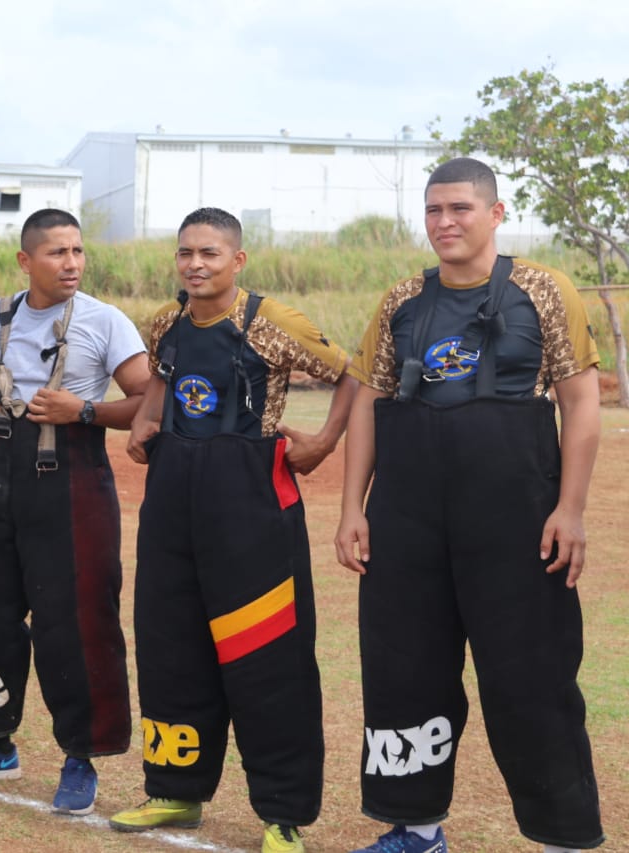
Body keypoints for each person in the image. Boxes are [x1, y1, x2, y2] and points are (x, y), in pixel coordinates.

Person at [335, 157, 604, 853]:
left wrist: (570, 508)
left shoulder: (544, 290)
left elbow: (580, 401)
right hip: (407, 517)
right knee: (404, 669)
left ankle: (563, 837)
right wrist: (353, 507)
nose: (445, 222)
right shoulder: (401, 300)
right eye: (434, 210)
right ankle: (416, 828)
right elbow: (369, 403)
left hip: (516, 517)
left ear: (495, 213)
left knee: (531, 676)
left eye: (459, 208)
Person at [108, 207, 356, 852]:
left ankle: (282, 814)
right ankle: (174, 791)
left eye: (209, 253)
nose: (195, 265)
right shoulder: (166, 322)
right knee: (170, 646)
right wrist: (147, 421)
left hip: (250, 503)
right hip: (172, 500)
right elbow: (161, 379)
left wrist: (324, 441)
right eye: (185, 253)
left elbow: (355, 372)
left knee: (267, 658)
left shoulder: (272, 322)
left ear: (237, 260)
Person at [0, 208, 149, 817]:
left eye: (77, 251)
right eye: (57, 252)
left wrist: (84, 411)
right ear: (26, 261)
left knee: (74, 615)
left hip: (70, 472)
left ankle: (81, 757)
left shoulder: (106, 321)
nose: (71, 263)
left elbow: (147, 400)